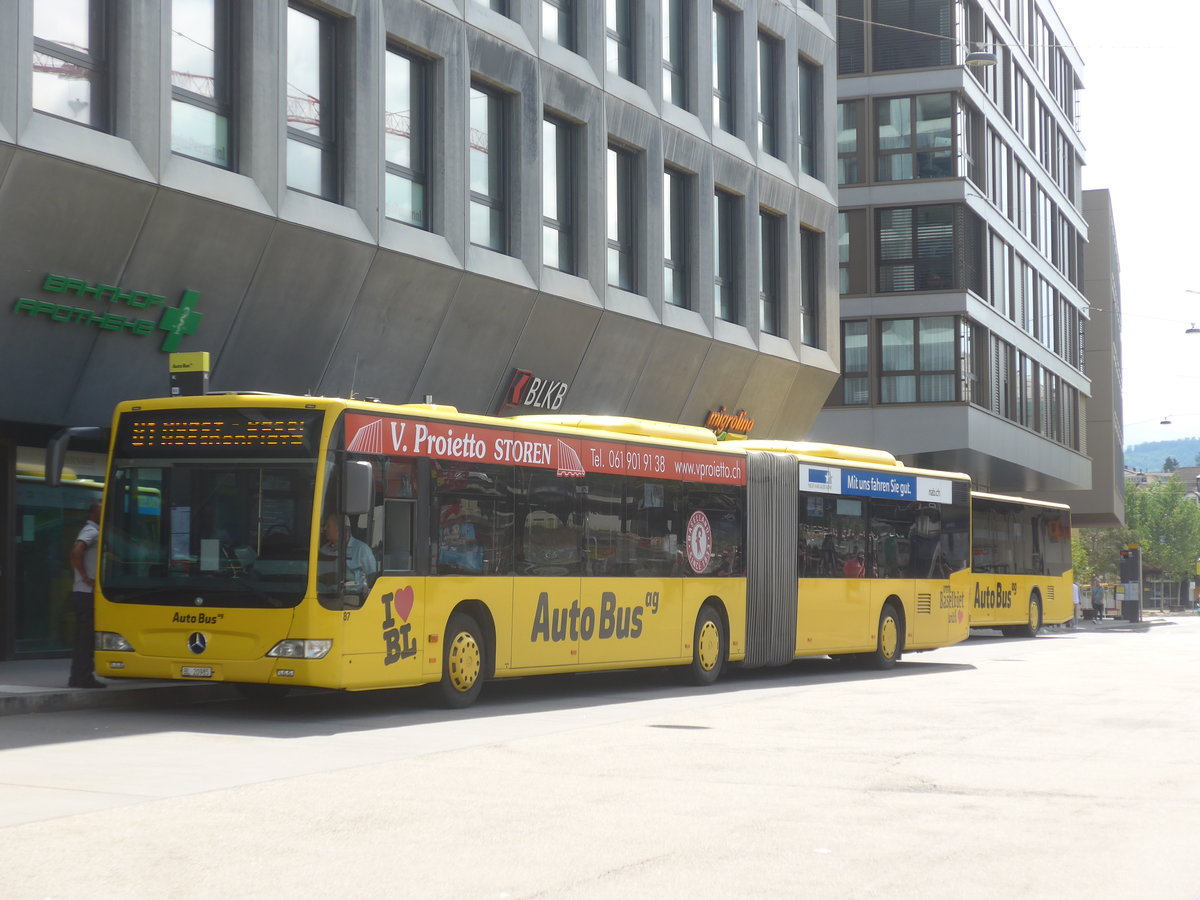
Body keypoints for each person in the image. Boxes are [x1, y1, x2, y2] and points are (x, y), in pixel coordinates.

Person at [68, 502, 105, 689]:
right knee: (86, 637)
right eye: (101, 510)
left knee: (82, 637)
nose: (104, 512)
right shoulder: (92, 530)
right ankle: (83, 677)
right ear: (93, 512)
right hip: (86, 593)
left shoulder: (94, 530)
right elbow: (76, 550)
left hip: (82, 592)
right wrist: (85, 577)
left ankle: (77, 677)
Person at [319, 512, 377, 591]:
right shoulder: (323, 550)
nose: (324, 529)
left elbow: (373, 579)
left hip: (351, 599)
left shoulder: (362, 549)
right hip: (322, 598)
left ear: (340, 528)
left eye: (327, 526)